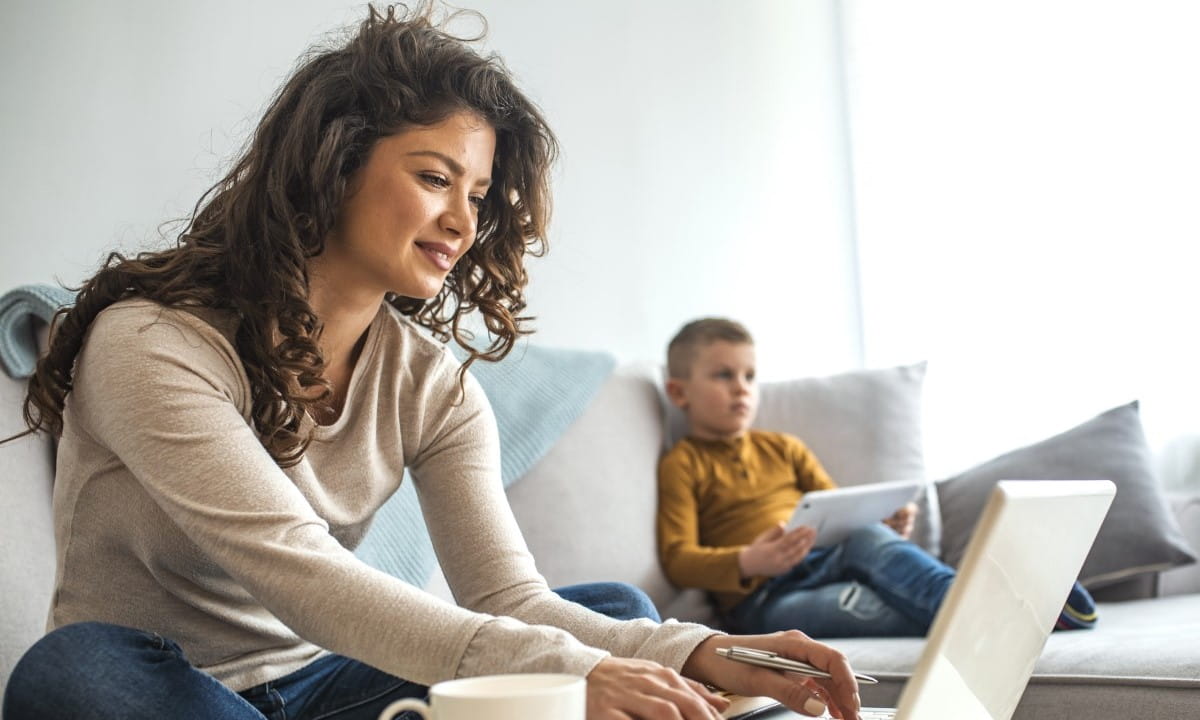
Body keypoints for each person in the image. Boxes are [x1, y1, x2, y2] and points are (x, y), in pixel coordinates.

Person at [0, 5, 864, 720]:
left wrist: (709, 649)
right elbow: (297, 566)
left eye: (478, 195)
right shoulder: (153, 344)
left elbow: (512, 602)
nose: (461, 220)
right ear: (333, 166)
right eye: (433, 177)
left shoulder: (431, 383)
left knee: (616, 616)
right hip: (165, 688)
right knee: (73, 672)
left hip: (327, 684)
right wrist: (565, 680)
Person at [657, 318, 1098, 638]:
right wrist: (748, 562)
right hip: (763, 602)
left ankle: (999, 608)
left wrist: (880, 523)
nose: (742, 388)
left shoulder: (782, 447)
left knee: (868, 536)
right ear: (679, 392)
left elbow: (838, 512)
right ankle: (1018, 611)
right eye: (724, 375)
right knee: (869, 606)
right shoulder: (683, 463)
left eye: (750, 376)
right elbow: (677, 558)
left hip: (829, 559)